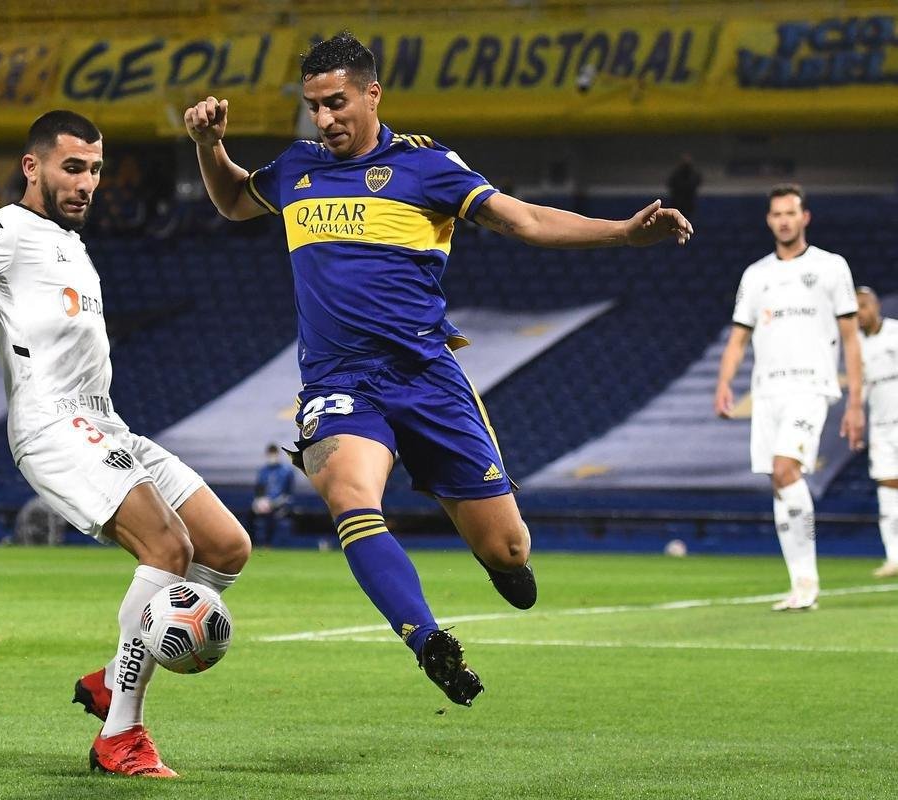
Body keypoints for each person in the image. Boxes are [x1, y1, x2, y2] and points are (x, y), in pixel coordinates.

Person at [184, 32, 692, 707]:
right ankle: (426, 639)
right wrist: (208, 147)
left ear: (372, 94)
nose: (325, 119)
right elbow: (232, 201)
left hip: (427, 379)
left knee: (509, 554)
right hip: (340, 384)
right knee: (349, 498)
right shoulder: (295, 169)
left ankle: (496, 558)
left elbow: (526, 220)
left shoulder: (426, 167)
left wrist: (624, 233)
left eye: (336, 102)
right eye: (313, 107)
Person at [0, 110, 251, 778]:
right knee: (166, 548)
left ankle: (115, 675)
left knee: (226, 545)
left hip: (105, 421)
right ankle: (121, 736)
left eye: (95, 169)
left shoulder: (69, 243)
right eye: (72, 168)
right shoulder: (8, 229)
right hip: (53, 426)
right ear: (34, 167)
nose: (86, 183)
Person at [715, 184, 864, 611]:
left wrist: (855, 401)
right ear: (769, 220)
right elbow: (738, 339)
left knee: (785, 470)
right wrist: (725, 383)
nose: (784, 220)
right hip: (767, 392)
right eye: (777, 213)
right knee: (779, 485)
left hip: (811, 386)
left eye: (791, 213)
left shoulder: (832, 268)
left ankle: (807, 582)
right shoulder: (756, 275)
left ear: (805, 218)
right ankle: (798, 584)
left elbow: (851, 340)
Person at [856, 286, 898, 578]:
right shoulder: (855, 345)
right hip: (881, 428)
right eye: (855, 307)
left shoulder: (895, 332)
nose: (861, 313)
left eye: (865, 305)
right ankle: (894, 557)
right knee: (887, 491)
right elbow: (859, 390)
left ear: (877, 305)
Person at [250, 444, 295, 545]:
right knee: (250, 515)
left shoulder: (286, 471)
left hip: (280, 504)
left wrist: (274, 503)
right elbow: (259, 490)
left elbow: (288, 493)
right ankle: (251, 543)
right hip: (264, 503)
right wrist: (258, 502)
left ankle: (268, 543)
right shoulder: (263, 471)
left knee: (271, 515)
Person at [666, 154, 701, 219]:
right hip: (678, 203)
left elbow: (697, 183)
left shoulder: (694, 175)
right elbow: (671, 184)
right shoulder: (676, 174)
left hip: (689, 203)